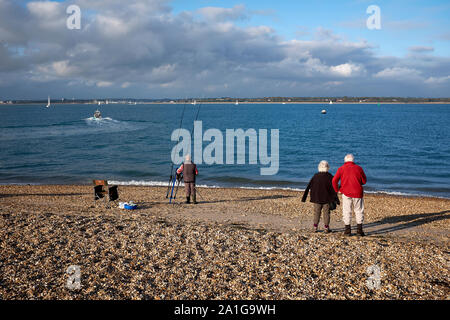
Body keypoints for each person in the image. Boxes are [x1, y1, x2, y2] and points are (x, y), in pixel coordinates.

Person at [332, 154, 367, 236]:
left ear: (345, 160)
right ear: (353, 160)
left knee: (347, 211)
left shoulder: (341, 169)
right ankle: (359, 230)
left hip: (346, 192)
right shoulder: (359, 168)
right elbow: (364, 181)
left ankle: (347, 230)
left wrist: (338, 190)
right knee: (359, 211)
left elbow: (334, 181)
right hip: (357, 192)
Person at [301, 160, 339, 233]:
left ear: (319, 167)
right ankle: (326, 228)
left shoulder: (315, 176)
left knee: (317, 212)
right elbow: (334, 188)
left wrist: (304, 198)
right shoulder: (330, 176)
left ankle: (315, 227)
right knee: (326, 213)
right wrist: (336, 199)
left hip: (317, 198)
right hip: (327, 198)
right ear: (327, 167)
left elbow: (309, 186)